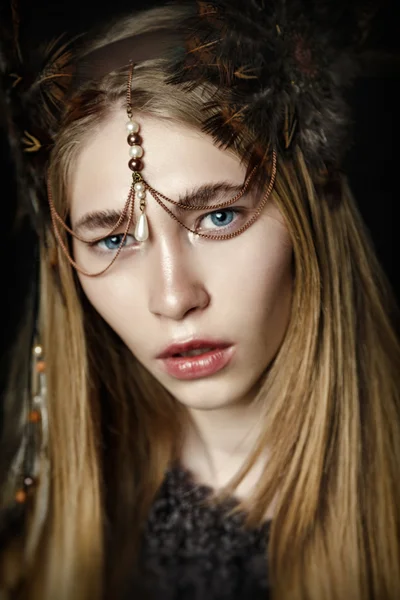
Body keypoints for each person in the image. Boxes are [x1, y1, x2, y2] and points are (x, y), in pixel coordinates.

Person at [0, 1, 399, 599]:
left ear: (307, 220)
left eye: (217, 215)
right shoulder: (27, 519)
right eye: (113, 237)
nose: (173, 297)